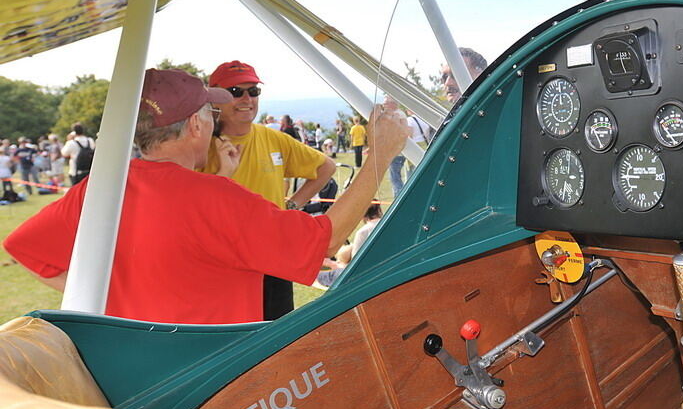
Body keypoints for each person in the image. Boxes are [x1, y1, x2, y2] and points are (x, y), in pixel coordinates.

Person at [2, 68, 408, 324]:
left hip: (140, 376)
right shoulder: (215, 198)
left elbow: (25, 246)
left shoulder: (101, 188)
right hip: (218, 379)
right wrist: (380, 156)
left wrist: (105, 296)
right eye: (208, 114)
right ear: (195, 127)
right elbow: (327, 239)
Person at [203, 61, 337, 320]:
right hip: (225, 264)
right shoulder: (200, 146)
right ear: (214, 99)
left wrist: (293, 205)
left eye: (253, 92)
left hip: (273, 260)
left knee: (277, 338)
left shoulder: (274, 139)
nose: (247, 99)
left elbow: (326, 167)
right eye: (235, 91)